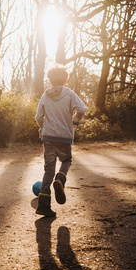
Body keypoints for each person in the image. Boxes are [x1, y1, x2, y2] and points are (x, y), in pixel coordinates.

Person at [35, 64, 87, 217]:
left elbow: (38, 116)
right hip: (64, 137)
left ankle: (43, 205)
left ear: (50, 80)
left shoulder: (45, 95)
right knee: (66, 160)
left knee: (48, 170)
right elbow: (82, 109)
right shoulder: (70, 94)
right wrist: (75, 120)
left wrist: (42, 128)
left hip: (49, 138)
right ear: (66, 80)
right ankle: (61, 178)